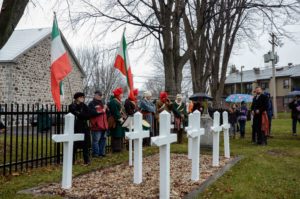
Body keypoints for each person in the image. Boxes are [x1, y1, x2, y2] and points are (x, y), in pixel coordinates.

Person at [69, 92, 93, 165]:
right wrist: (81, 114)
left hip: (84, 126)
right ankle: (71, 160)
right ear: (77, 98)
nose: (83, 98)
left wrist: (82, 114)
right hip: (76, 126)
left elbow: (89, 115)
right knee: (75, 144)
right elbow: (77, 114)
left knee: (85, 144)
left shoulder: (84, 105)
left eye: (83, 97)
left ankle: (86, 160)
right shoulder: (72, 106)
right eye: (81, 97)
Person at [88, 91, 108, 158]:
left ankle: (101, 153)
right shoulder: (91, 103)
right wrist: (103, 110)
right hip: (96, 125)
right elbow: (92, 113)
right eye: (99, 95)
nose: (100, 96)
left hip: (103, 125)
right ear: (95, 95)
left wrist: (106, 109)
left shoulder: (102, 103)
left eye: (101, 95)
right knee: (96, 140)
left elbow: (105, 113)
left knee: (103, 139)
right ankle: (95, 154)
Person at [107, 87, 126, 153]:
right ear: (118, 94)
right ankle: (116, 149)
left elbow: (119, 111)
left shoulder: (117, 101)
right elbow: (115, 112)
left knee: (119, 134)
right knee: (116, 134)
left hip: (119, 120)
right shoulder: (113, 102)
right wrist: (120, 119)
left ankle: (120, 148)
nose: (122, 95)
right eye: (121, 94)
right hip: (116, 121)